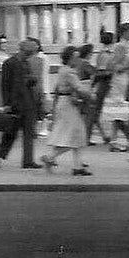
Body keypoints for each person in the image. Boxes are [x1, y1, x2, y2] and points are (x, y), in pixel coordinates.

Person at [39, 46, 93, 176]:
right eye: (75, 57)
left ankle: (77, 166)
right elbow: (79, 88)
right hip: (68, 105)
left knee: (76, 134)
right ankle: (50, 157)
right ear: (70, 58)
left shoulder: (63, 70)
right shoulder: (70, 72)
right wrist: (91, 94)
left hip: (64, 103)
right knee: (72, 135)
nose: (77, 59)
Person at [0, 39, 44, 169]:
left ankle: (28, 160)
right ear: (23, 50)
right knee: (11, 132)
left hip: (28, 101)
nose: (30, 55)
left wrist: (32, 81)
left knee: (29, 133)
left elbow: (29, 81)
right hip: (16, 104)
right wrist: (7, 104)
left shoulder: (25, 63)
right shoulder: (9, 63)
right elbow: (5, 85)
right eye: (28, 52)